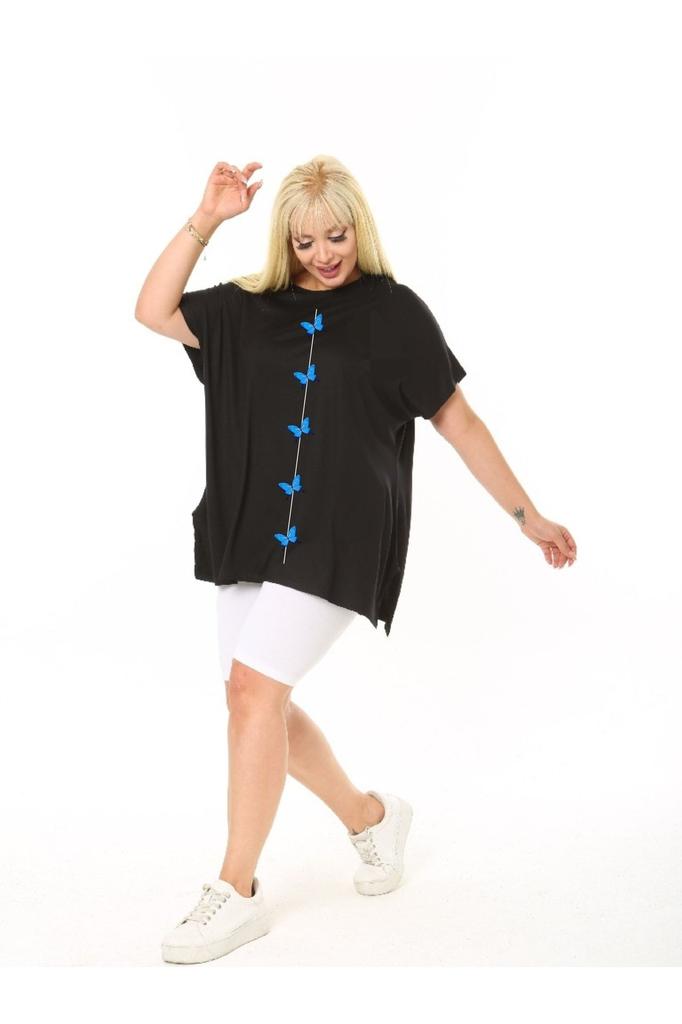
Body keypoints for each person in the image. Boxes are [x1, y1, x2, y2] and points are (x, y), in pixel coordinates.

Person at [134, 154, 578, 966]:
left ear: (358, 229)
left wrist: (527, 516)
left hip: (341, 534)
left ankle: (237, 891)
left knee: (254, 691)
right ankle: (371, 818)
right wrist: (208, 218)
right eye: (305, 241)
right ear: (286, 241)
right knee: (251, 700)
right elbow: (152, 309)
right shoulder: (247, 308)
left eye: (336, 236)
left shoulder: (395, 313)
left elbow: (460, 422)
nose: (323, 254)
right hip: (250, 529)